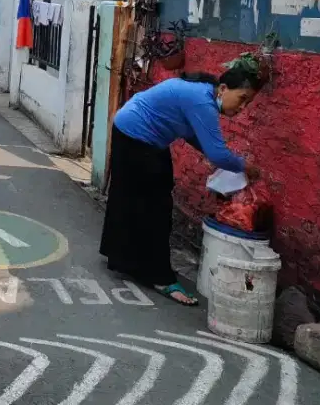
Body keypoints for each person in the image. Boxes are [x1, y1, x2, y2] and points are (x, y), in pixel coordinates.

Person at [99, 64, 263, 306]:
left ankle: (123, 259)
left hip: (130, 129)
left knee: (129, 197)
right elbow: (218, 153)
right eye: (242, 99)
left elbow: (191, 134)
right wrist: (244, 166)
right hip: (138, 136)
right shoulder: (202, 102)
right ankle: (160, 277)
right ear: (224, 88)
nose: (241, 107)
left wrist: (212, 155)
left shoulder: (201, 93)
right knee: (157, 207)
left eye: (247, 103)